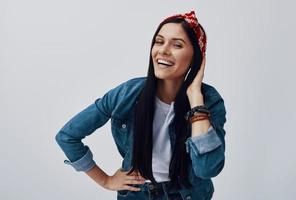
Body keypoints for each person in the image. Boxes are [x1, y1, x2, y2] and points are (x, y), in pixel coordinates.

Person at [55, 10, 227, 200]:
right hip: (137, 195)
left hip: (188, 195)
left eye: (177, 45)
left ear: (196, 57)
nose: (163, 50)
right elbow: (67, 137)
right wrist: (105, 181)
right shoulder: (126, 94)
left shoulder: (209, 100)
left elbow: (207, 169)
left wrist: (196, 100)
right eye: (159, 41)